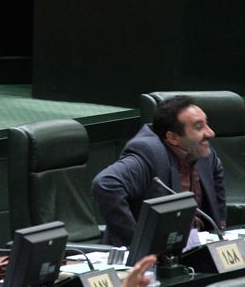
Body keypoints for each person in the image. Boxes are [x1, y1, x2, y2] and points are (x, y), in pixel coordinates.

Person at [92, 95, 226, 246]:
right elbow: (105, 184)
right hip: (156, 253)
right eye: (198, 127)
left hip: (197, 246)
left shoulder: (202, 152)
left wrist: (221, 225)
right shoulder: (149, 153)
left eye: (206, 124)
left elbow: (217, 174)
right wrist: (136, 243)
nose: (210, 133)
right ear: (173, 137)